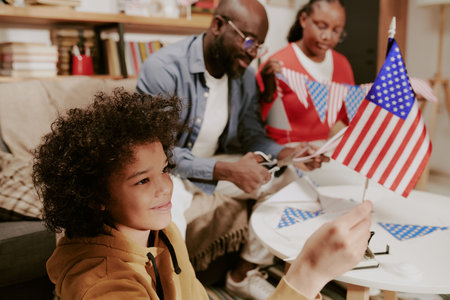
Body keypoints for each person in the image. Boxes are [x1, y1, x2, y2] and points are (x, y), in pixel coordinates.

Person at [33, 89, 373, 299]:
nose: (165, 187)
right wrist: (307, 271)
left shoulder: (163, 232)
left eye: (164, 170)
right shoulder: (104, 288)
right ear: (96, 197)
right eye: (142, 181)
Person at [136, 0, 328, 298]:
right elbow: (158, 152)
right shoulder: (164, 68)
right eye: (249, 41)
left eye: (259, 46)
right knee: (170, 220)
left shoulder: (244, 78)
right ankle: (175, 293)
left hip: (213, 162)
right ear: (217, 26)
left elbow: (253, 135)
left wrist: (286, 153)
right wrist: (226, 170)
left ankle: (243, 273)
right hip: (166, 169)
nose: (253, 54)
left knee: (291, 184)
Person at [257, 0, 354, 145]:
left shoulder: (342, 65)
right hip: (286, 150)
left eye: (336, 31)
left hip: (324, 149)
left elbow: (351, 119)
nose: (327, 36)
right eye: (321, 27)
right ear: (303, 20)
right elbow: (254, 124)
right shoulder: (277, 64)